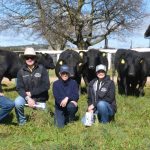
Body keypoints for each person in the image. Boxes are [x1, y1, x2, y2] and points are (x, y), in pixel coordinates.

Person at [15, 47, 50, 125]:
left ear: (35, 58)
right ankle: (22, 122)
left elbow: (46, 85)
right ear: (25, 59)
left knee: (45, 119)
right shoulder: (20, 71)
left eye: (32, 57)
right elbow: (19, 88)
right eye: (27, 57)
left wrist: (31, 93)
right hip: (26, 97)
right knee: (17, 102)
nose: (29, 59)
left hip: (40, 97)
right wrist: (28, 98)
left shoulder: (42, 69)